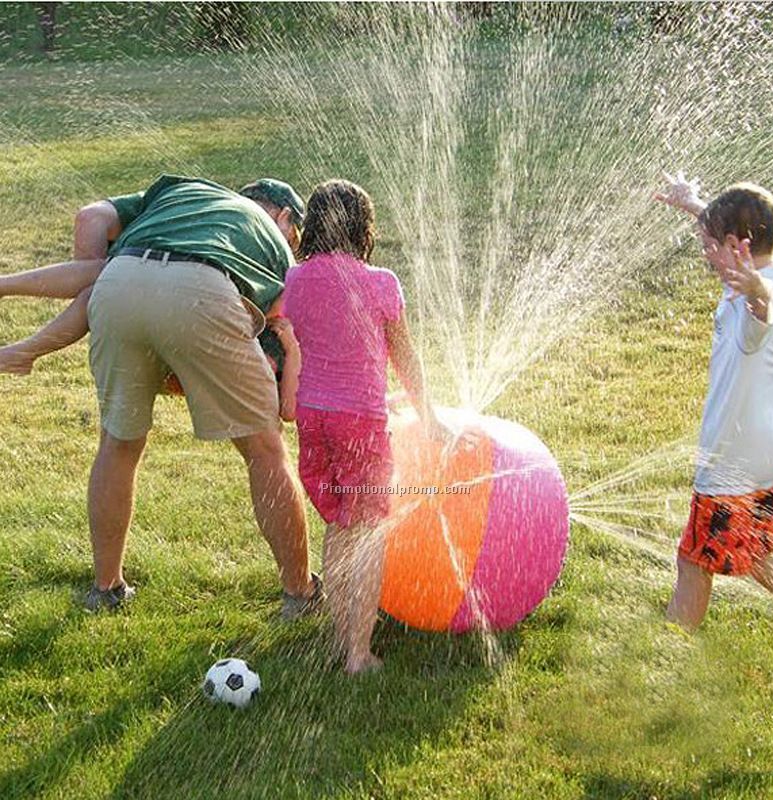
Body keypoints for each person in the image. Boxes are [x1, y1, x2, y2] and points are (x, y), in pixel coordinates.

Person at [0, 174, 321, 617]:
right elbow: (272, 345)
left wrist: (99, 292)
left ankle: (106, 589)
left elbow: (90, 216)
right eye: (295, 232)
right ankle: (300, 594)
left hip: (118, 283)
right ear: (284, 217)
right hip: (205, 290)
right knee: (264, 449)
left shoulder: (181, 190)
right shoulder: (278, 247)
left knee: (119, 443)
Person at [282, 179, 447, 674]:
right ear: (363, 229)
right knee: (370, 528)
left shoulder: (295, 282)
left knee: (338, 523)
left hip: (314, 420)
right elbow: (404, 356)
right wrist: (429, 415)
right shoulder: (380, 283)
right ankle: (359, 652)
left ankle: (339, 637)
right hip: (360, 424)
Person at [655, 172, 773, 630]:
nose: (706, 253)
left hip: (734, 461)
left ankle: (669, 654)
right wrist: (696, 205)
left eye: (711, 243)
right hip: (771, 453)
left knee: (695, 561)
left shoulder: (759, 294)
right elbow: (763, 282)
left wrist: (754, 292)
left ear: (738, 246)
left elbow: (765, 306)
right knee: (758, 554)